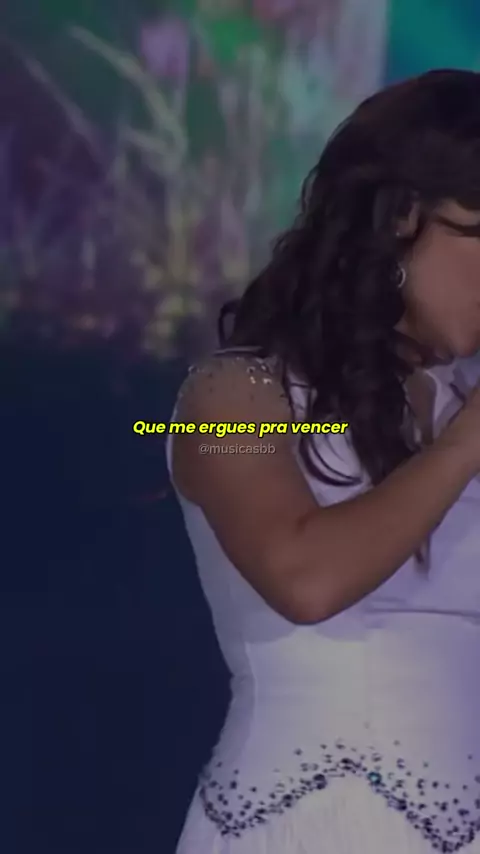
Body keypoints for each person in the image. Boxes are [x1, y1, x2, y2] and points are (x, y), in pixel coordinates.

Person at [166, 69, 480, 853]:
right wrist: (468, 442)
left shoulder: (462, 402)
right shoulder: (234, 396)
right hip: (306, 826)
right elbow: (305, 579)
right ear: (401, 214)